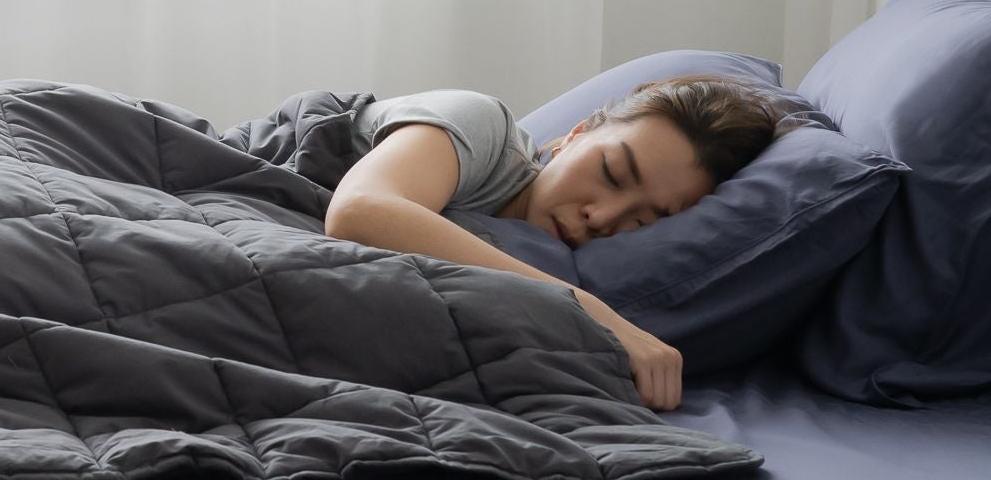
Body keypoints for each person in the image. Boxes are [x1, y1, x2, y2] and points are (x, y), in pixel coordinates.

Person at [322, 75, 785, 413]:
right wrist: (588, 309)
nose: (601, 217)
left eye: (642, 221)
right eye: (611, 173)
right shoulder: (483, 125)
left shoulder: (548, 254)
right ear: (575, 134)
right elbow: (359, 210)